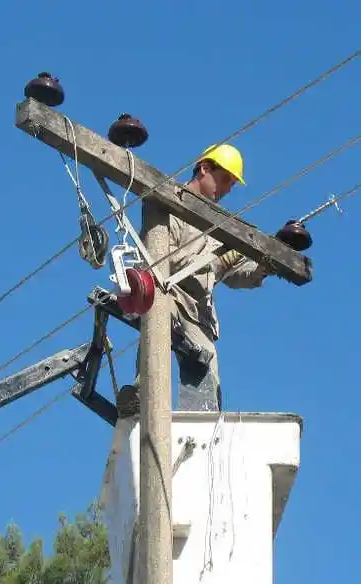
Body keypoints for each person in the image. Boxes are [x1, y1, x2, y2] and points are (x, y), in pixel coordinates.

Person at [116, 143, 272, 415]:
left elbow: (237, 277)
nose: (226, 190)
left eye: (232, 185)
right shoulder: (170, 203)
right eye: (225, 180)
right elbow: (159, 259)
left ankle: (204, 426)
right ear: (204, 169)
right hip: (169, 294)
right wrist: (215, 262)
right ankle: (142, 395)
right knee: (157, 332)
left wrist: (264, 267)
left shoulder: (220, 225)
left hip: (198, 312)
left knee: (208, 374)